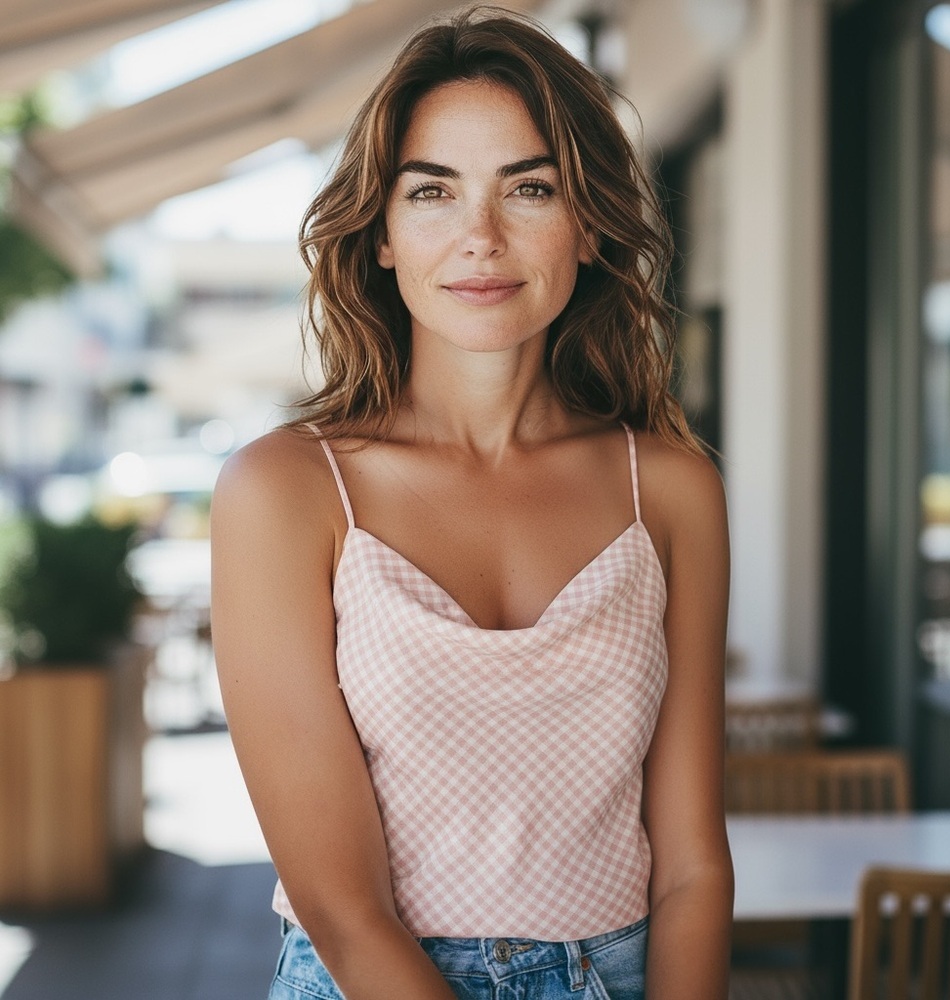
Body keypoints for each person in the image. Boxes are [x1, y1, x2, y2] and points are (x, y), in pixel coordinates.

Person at [210, 6, 733, 999]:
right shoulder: (285, 490)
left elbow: (695, 865)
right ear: (381, 237)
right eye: (434, 192)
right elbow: (341, 902)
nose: (481, 237)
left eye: (528, 188)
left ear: (586, 228)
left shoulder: (668, 488)